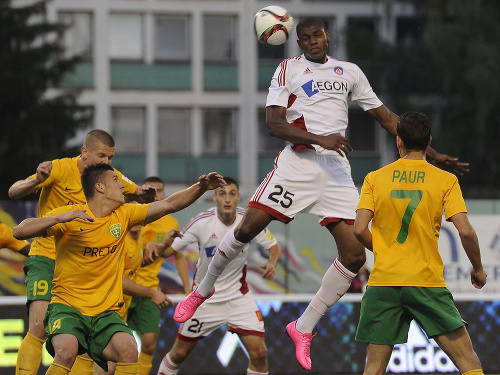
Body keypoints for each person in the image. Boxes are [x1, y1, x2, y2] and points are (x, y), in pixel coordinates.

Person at [173, 16, 470, 371]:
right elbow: (274, 123)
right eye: (305, 38)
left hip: (335, 173)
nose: (312, 42)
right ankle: (202, 290)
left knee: (355, 255)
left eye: (317, 35)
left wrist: (431, 154)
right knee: (245, 230)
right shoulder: (287, 69)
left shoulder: (350, 72)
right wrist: (320, 139)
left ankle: (303, 326)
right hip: (297, 166)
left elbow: (386, 117)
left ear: (327, 36)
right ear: (297, 42)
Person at [13, 163, 225, 375]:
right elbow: (19, 231)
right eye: (116, 181)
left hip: (104, 313)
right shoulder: (71, 215)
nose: (123, 186)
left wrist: (200, 187)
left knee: (129, 349)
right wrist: (60, 218)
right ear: (100, 187)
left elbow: (170, 204)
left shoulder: (124, 214)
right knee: (67, 350)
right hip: (68, 307)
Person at [8, 129, 156, 375]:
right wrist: (35, 180)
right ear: (84, 152)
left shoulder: (110, 177)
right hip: (47, 254)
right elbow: (14, 191)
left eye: (110, 158)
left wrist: (145, 194)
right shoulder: (58, 169)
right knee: (39, 327)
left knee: (83, 341)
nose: (107, 163)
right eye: (102, 156)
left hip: (81, 265)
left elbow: (139, 193)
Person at [353, 111, 487, 375]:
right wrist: (478, 269)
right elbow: (467, 233)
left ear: (398, 141)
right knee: (469, 363)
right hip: (425, 281)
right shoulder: (445, 180)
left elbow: (358, 229)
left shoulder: (374, 178)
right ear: (429, 142)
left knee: (374, 369)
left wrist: (385, 251)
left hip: (383, 283)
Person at [143, 177, 280, 375]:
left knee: (259, 353)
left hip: (237, 297)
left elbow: (274, 246)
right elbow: (167, 252)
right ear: (214, 197)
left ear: (238, 197)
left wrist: (272, 262)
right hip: (203, 298)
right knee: (179, 354)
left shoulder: (248, 220)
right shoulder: (201, 222)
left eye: (232, 194)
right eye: (222, 194)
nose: (227, 199)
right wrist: (160, 245)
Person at [126, 176, 190, 375]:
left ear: (164, 194)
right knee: (114, 346)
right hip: (123, 288)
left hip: (150, 288)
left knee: (149, 345)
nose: (156, 194)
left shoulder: (170, 222)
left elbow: (177, 255)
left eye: (160, 190)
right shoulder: (133, 216)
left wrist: (189, 292)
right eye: (151, 190)